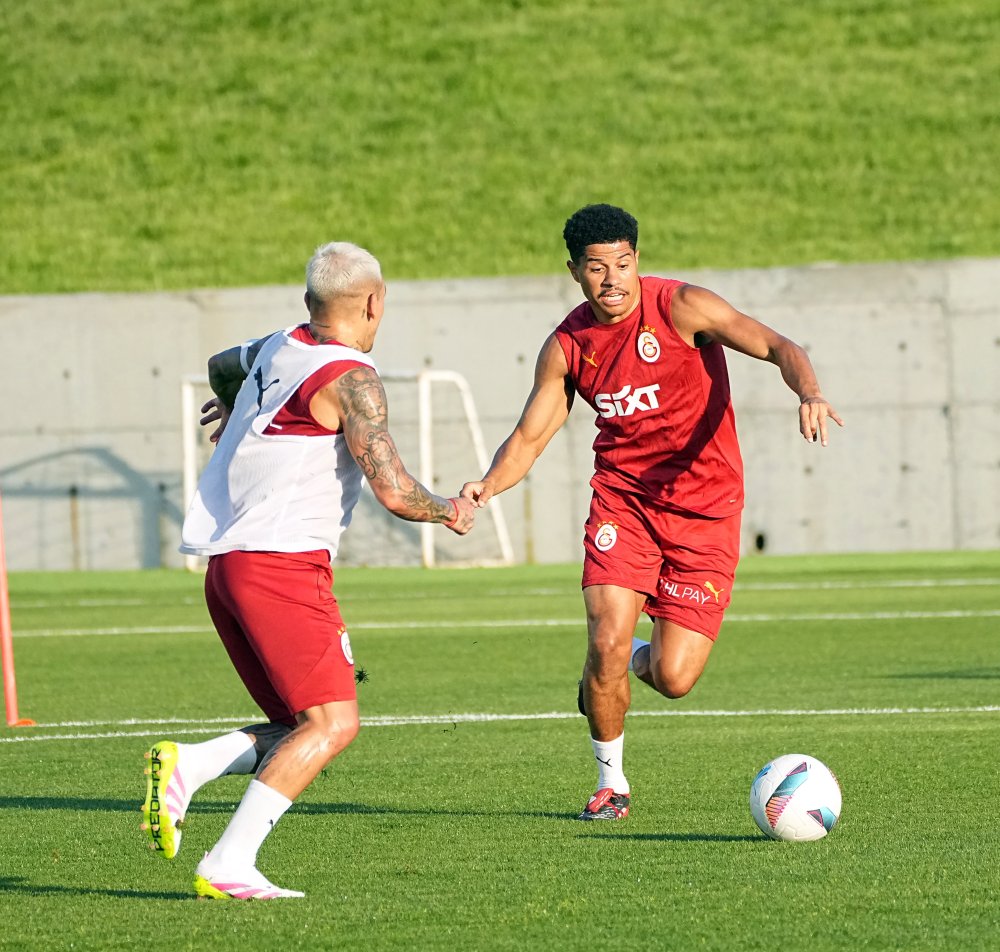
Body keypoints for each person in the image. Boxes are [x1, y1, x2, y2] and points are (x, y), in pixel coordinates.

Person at [461, 204, 842, 821]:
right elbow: (530, 437)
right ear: (574, 272)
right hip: (624, 504)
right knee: (606, 640)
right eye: (596, 267)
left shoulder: (683, 308)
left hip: (706, 512)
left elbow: (777, 344)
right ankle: (612, 783)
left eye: (622, 262)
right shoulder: (568, 346)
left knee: (672, 677)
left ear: (637, 259)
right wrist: (485, 487)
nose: (612, 278)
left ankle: (610, 669)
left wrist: (811, 392)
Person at [142, 241, 475, 899]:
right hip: (281, 567)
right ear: (376, 302)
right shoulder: (353, 378)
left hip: (229, 568)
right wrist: (450, 510)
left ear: (309, 303)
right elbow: (395, 490)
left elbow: (219, 365)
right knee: (332, 725)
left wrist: (235, 404)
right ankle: (227, 861)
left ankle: (196, 764)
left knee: (303, 726)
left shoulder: (278, 345)